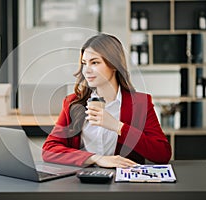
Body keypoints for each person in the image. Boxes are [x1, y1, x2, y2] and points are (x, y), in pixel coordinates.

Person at [42, 33, 171, 168]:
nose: (87, 70)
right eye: (84, 63)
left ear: (114, 64)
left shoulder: (140, 103)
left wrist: (118, 126)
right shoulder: (73, 102)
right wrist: (96, 158)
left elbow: (162, 154)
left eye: (95, 62)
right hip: (82, 182)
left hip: (123, 184)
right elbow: (49, 149)